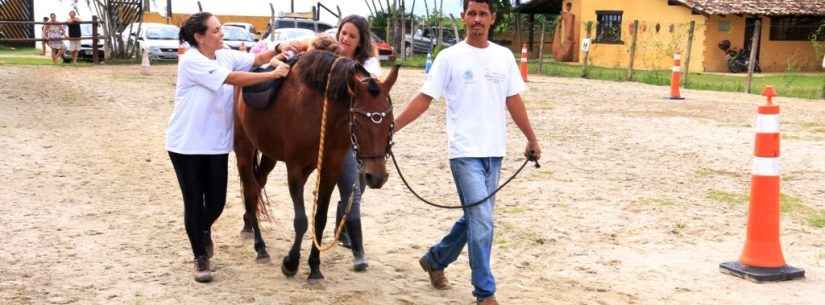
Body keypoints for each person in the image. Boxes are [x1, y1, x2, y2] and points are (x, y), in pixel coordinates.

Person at [393, 1, 542, 304]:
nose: (477, 19)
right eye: (471, 14)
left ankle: (435, 259)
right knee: (484, 221)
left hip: (494, 152)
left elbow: (514, 101)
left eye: (482, 14)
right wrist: (391, 128)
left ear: (492, 19)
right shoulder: (448, 58)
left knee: (476, 218)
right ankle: (485, 293)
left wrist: (531, 139)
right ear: (463, 18)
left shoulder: (503, 57)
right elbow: (424, 99)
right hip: (463, 153)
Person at [166, 11, 289, 283]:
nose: (222, 34)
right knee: (194, 201)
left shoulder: (224, 54)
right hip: (186, 145)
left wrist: (278, 49)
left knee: (217, 202)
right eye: (216, 30)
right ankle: (200, 257)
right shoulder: (191, 61)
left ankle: (200, 231)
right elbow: (233, 78)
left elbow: (256, 59)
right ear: (200, 37)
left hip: (216, 144)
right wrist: (272, 76)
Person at [283, 14, 382, 272]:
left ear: (360, 42)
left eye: (351, 35)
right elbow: (304, 46)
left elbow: (373, 90)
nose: (345, 38)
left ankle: (357, 247)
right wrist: (281, 48)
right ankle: (347, 234)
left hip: (347, 142)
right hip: (320, 136)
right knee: (352, 190)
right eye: (343, 33)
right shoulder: (327, 56)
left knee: (352, 191)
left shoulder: (367, 67)